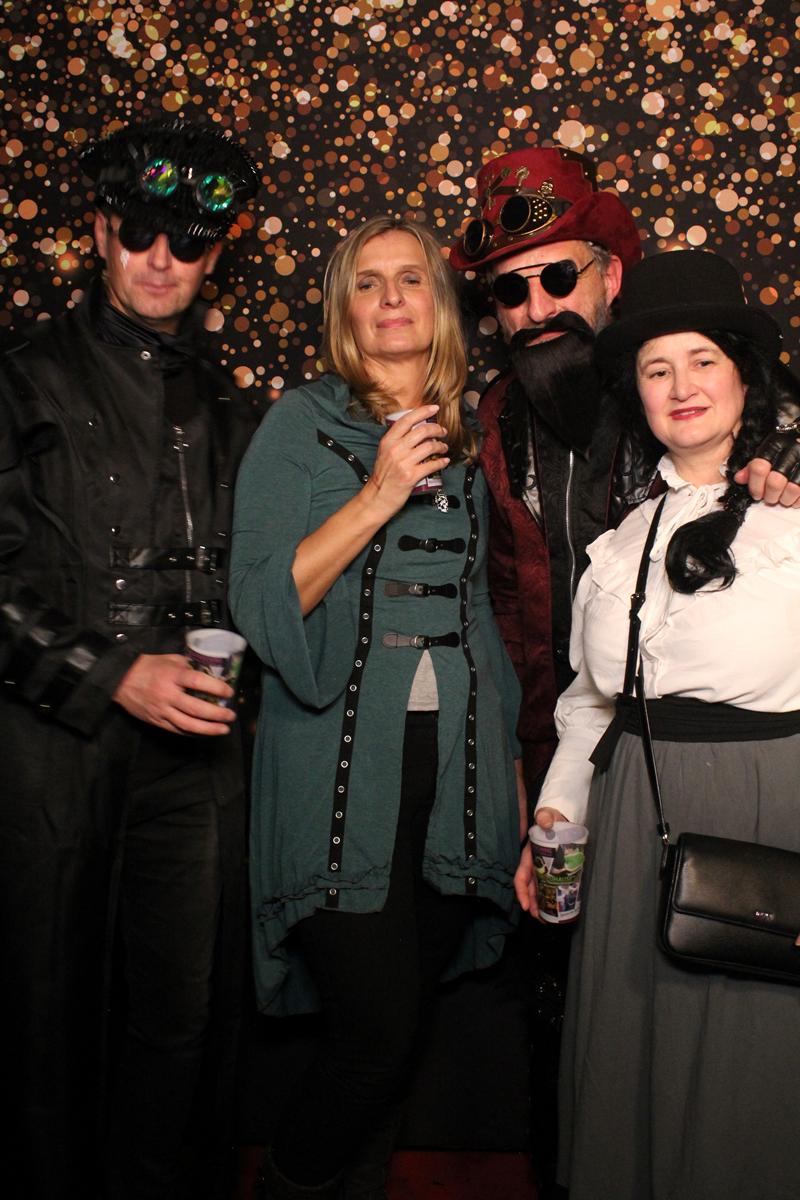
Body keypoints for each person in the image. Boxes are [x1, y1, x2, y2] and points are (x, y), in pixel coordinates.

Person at [229, 214, 523, 1200]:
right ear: (343, 311)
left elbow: (480, 611)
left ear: (440, 304)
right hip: (335, 763)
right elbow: (260, 600)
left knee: (401, 1037)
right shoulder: (298, 424)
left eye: (411, 278)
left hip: (454, 771)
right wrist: (379, 491)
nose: (391, 296)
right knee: (377, 1033)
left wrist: (513, 782)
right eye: (367, 281)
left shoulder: (471, 433)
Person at [0, 119, 259, 1200]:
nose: (161, 259)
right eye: (141, 232)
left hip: (196, 759)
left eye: (187, 242)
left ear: (215, 253)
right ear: (101, 231)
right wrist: (113, 673)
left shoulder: (230, 404)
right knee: (48, 1013)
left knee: (179, 1015)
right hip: (54, 756)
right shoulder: (21, 380)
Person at [516, 249, 800, 1200]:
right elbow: (591, 702)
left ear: (744, 376)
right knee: (634, 1057)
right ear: (635, 394)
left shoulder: (795, 513)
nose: (682, 387)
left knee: (749, 1070)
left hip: (768, 813)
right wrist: (558, 815)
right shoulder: (622, 540)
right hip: (636, 819)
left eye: (703, 361)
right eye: (656, 368)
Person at [450, 144, 800, 800]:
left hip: (715, 754)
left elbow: (772, 421)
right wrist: (519, 756)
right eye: (511, 289)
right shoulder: (497, 415)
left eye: (559, 278)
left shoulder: (699, 401)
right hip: (561, 743)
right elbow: (505, 600)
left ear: (609, 277)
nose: (537, 309)